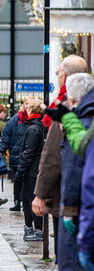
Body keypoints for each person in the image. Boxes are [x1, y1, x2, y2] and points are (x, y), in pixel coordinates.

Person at [32, 55, 88, 260]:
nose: (57, 78)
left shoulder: (66, 110)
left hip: (68, 198)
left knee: (68, 258)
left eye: (58, 74)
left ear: (64, 76)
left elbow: (53, 157)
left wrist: (40, 194)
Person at [46, 73, 94, 271]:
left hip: (80, 218)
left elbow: (75, 175)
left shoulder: (84, 126)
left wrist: (69, 213)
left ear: (73, 101)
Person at [17, 99, 45, 241]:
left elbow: (29, 152)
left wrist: (21, 170)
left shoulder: (33, 128)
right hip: (33, 169)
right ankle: (30, 229)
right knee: (25, 198)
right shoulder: (36, 126)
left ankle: (38, 231)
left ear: (31, 111)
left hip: (32, 171)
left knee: (31, 200)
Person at [0, 96, 32, 211]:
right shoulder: (15, 119)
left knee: (28, 180)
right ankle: (17, 202)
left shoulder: (37, 118)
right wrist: (2, 149)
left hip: (30, 157)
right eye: (26, 103)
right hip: (16, 155)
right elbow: (6, 134)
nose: (27, 106)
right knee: (17, 180)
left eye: (30, 103)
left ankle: (26, 202)